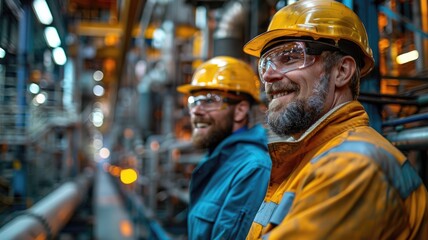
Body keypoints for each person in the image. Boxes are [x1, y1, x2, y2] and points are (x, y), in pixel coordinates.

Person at [242, 0, 428, 239]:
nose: (268, 75)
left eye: (289, 57)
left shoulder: (353, 167)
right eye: (265, 63)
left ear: (341, 71)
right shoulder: (308, 159)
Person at [177, 56, 272, 239]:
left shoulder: (252, 169)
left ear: (240, 110)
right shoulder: (218, 160)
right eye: (194, 101)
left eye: (210, 100)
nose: (196, 110)